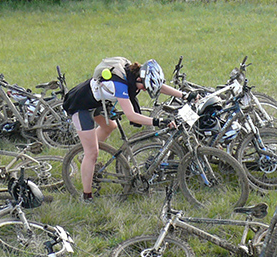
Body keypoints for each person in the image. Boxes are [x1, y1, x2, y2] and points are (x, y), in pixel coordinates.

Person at [62, 57, 189, 201]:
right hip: (80, 106)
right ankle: (87, 196)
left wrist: (184, 95)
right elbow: (131, 116)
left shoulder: (135, 76)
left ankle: (85, 157)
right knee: (92, 153)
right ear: (139, 79)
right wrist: (159, 121)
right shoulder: (120, 84)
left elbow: (159, 86)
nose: (145, 90)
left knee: (110, 126)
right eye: (144, 87)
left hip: (97, 103)